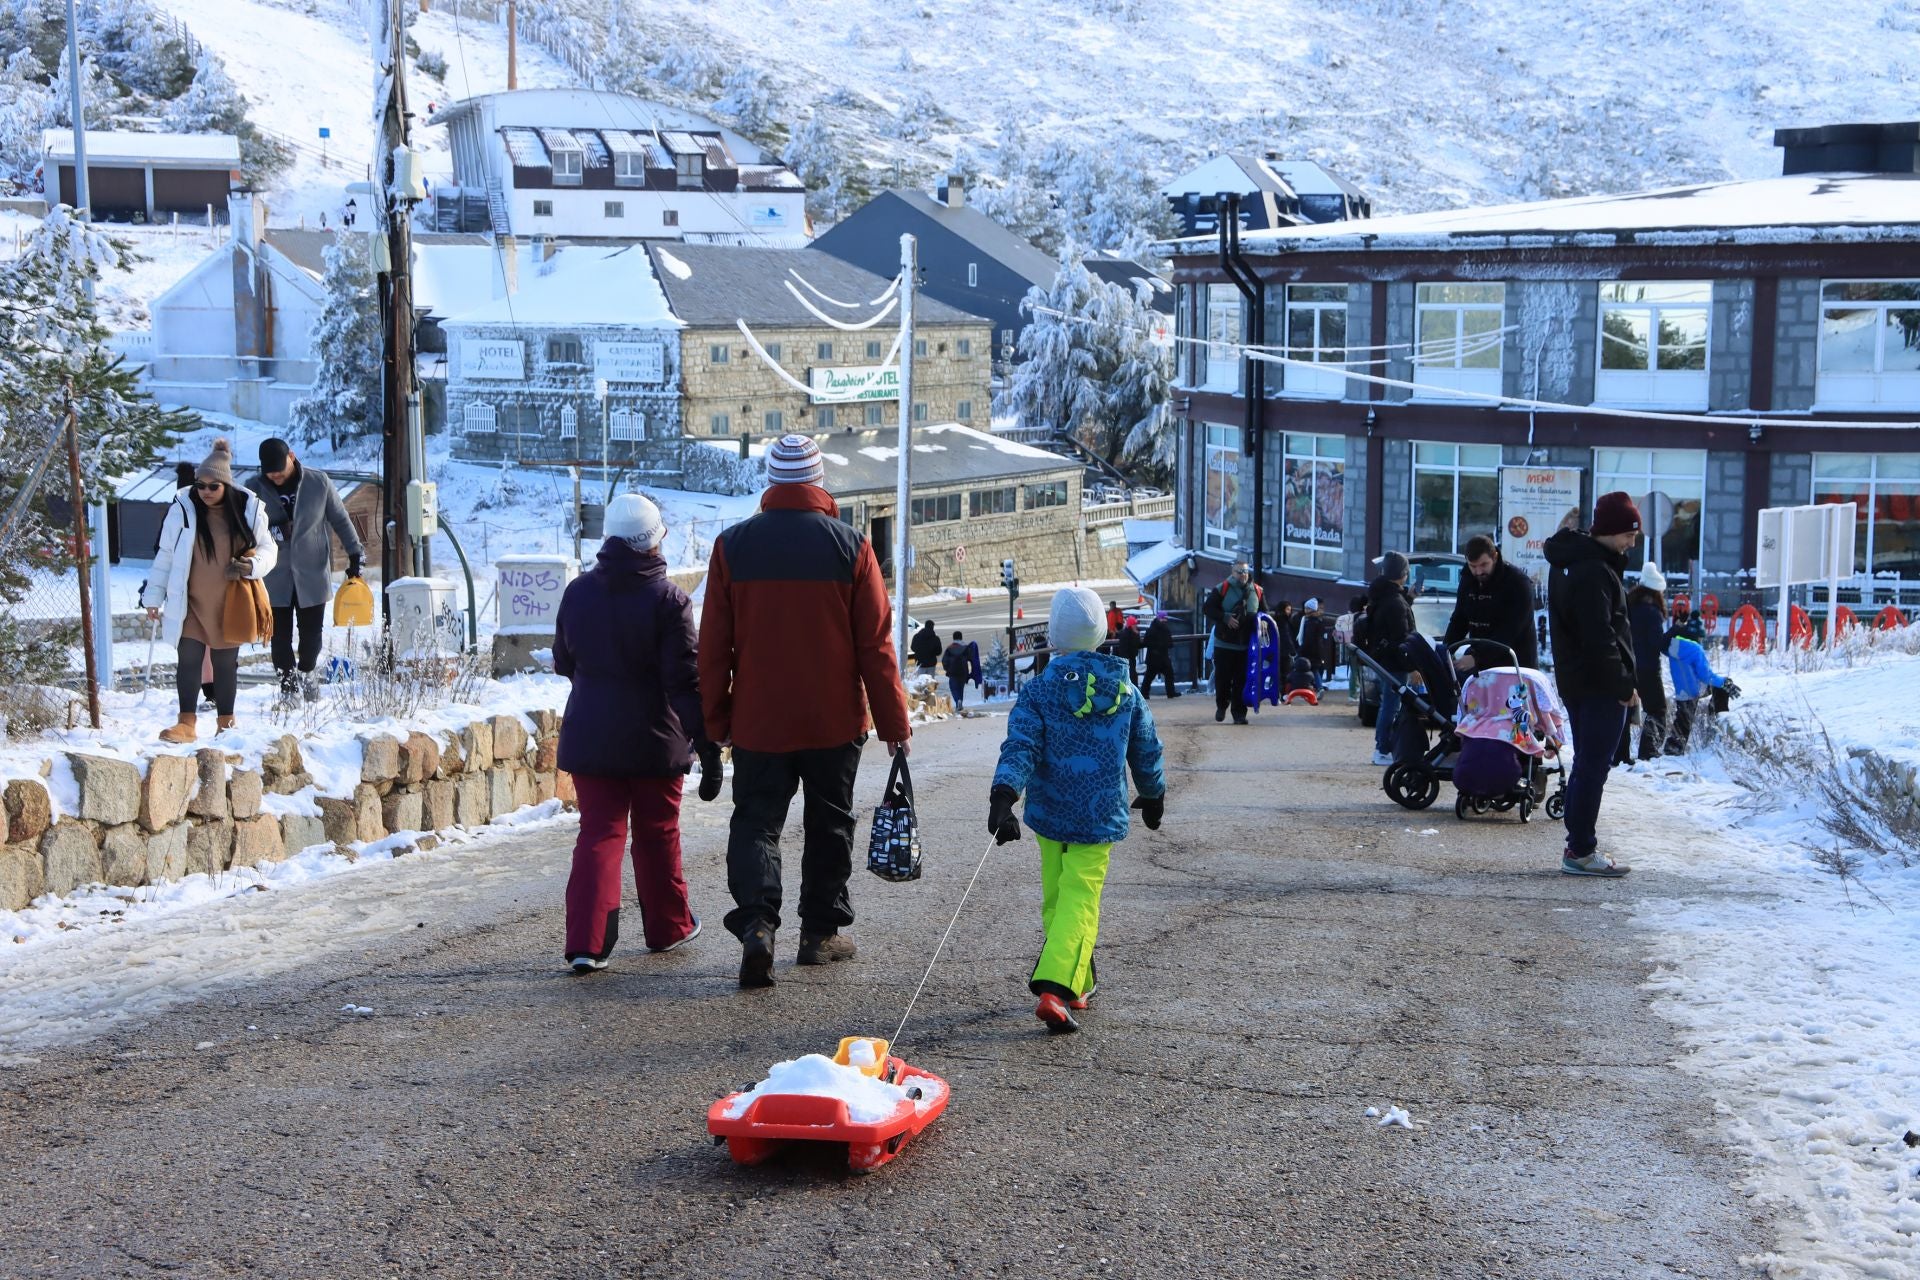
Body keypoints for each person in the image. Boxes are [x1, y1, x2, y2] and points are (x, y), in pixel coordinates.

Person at [699, 435, 911, 989]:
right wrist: (893, 723)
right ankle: (820, 935)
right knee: (829, 823)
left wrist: (717, 721)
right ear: (819, 482)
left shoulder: (732, 546)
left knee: (756, 823)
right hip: (833, 721)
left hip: (759, 721)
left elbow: (714, 648)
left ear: (770, 481)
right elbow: (876, 645)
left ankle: (759, 924)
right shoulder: (852, 546)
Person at [988, 587, 1166, 1034]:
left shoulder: (1041, 691)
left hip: (1050, 813)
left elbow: (1021, 745)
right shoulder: (1125, 691)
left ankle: (1079, 979)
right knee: (1081, 899)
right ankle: (1057, 987)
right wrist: (1153, 792)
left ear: (1054, 634)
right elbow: (1145, 748)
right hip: (1098, 813)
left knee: (1057, 897)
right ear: (1102, 632)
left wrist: (1004, 794)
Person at [554, 494, 719, 973]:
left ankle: (587, 943)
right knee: (657, 833)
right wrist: (705, 744)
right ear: (653, 541)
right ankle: (669, 928)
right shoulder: (669, 600)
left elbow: (564, 660)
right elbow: (684, 682)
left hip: (591, 737)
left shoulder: (578, 592)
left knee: (599, 834)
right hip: (655, 741)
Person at [141, 439, 276, 743]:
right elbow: (165, 554)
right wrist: (152, 596)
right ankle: (186, 723)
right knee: (188, 658)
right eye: (200, 485)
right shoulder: (183, 508)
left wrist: (252, 567)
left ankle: (225, 724)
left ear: (225, 485)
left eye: (212, 486)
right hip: (190, 600)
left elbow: (269, 549)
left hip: (230, 601)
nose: (205, 491)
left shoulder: (247, 510)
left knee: (225, 664)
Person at [1544, 492, 1643, 878]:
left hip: (1576, 679)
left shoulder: (1570, 563)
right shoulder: (1593, 571)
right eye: (1628, 534)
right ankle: (1581, 850)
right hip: (1599, 684)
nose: (1631, 543)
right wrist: (1623, 685)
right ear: (1609, 531)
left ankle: (1578, 844)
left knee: (1587, 763)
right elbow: (1601, 637)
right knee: (1592, 766)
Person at [244, 437, 365, 704]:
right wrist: (274, 530)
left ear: (292, 457)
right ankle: (288, 689)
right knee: (279, 640)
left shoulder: (317, 482)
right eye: (270, 474)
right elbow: (243, 529)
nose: (275, 478)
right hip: (274, 577)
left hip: (312, 572)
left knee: (311, 638)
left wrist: (354, 553)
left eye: (280, 472)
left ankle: (307, 671)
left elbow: (340, 518)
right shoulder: (253, 489)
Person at [1444, 534, 1539, 674]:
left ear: (1494, 557)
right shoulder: (1468, 580)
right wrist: (1446, 649)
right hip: (1482, 666)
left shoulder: (1517, 583)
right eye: (1473, 566)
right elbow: (1459, 619)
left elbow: (1511, 630)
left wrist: (1477, 657)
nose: (1478, 572)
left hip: (1516, 665)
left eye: (1484, 565)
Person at [1616, 562, 1670, 764]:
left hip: (1628, 665)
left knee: (1626, 710)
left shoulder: (1630, 606)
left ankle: (1619, 755)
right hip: (1648, 668)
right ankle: (1648, 751)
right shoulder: (1652, 612)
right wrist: (1676, 632)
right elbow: (1657, 643)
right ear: (1658, 592)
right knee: (1657, 709)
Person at [1366, 552, 1416, 766]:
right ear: (1402, 574)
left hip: (1385, 659)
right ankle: (1383, 749)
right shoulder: (1394, 602)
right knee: (1391, 705)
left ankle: (1383, 747)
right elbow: (1402, 638)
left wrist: (1410, 598)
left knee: (1389, 703)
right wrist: (1412, 667)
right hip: (1395, 663)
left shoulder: (1383, 594)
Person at [1664, 632, 1737, 753]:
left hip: (1682, 690)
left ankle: (1673, 747)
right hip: (1695, 689)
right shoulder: (1695, 649)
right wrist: (1725, 682)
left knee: (1683, 719)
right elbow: (1706, 676)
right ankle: (1716, 721)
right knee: (1723, 686)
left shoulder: (1672, 647)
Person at [1211, 561, 1264, 725]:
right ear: (1232, 572)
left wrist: (1263, 621)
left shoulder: (1257, 590)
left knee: (1242, 680)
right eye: (1239, 571)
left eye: (1246, 571)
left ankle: (1239, 714)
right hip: (1224, 643)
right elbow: (1208, 609)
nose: (1243, 574)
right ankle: (1221, 706)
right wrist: (1225, 617)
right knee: (1223, 679)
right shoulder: (1222, 588)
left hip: (1246, 645)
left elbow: (1264, 611)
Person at [1297, 597, 1334, 691]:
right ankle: (1316, 687)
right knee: (1314, 669)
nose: (1305, 610)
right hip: (1316, 650)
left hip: (1310, 651)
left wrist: (1302, 649)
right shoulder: (1317, 622)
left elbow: (1309, 638)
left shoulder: (1310, 623)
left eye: (1307, 608)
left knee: (1313, 669)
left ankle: (1318, 687)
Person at [1141, 611, 1179, 699]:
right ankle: (1170, 692)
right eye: (1164, 618)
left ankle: (1144, 693)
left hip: (1154, 657)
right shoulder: (1163, 629)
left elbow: (1146, 642)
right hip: (1159, 657)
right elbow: (1169, 643)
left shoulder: (1152, 629)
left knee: (1149, 677)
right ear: (1161, 618)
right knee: (1166, 675)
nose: (1166, 620)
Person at [941, 630, 974, 712]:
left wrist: (947, 669)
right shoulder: (966, 647)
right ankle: (960, 703)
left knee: (953, 688)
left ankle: (957, 701)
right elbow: (971, 658)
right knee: (960, 688)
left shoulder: (950, 648)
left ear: (953, 638)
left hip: (952, 671)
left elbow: (944, 660)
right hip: (963, 671)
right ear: (961, 637)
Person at [1115, 614, 1143, 685]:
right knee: (1132, 675)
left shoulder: (1128, 633)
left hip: (1129, 658)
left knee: (1131, 675)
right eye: (1134, 624)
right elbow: (1133, 645)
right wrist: (1137, 635)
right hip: (1128, 658)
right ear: (1131, 625)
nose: (1136, 626)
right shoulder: (1128, 634)